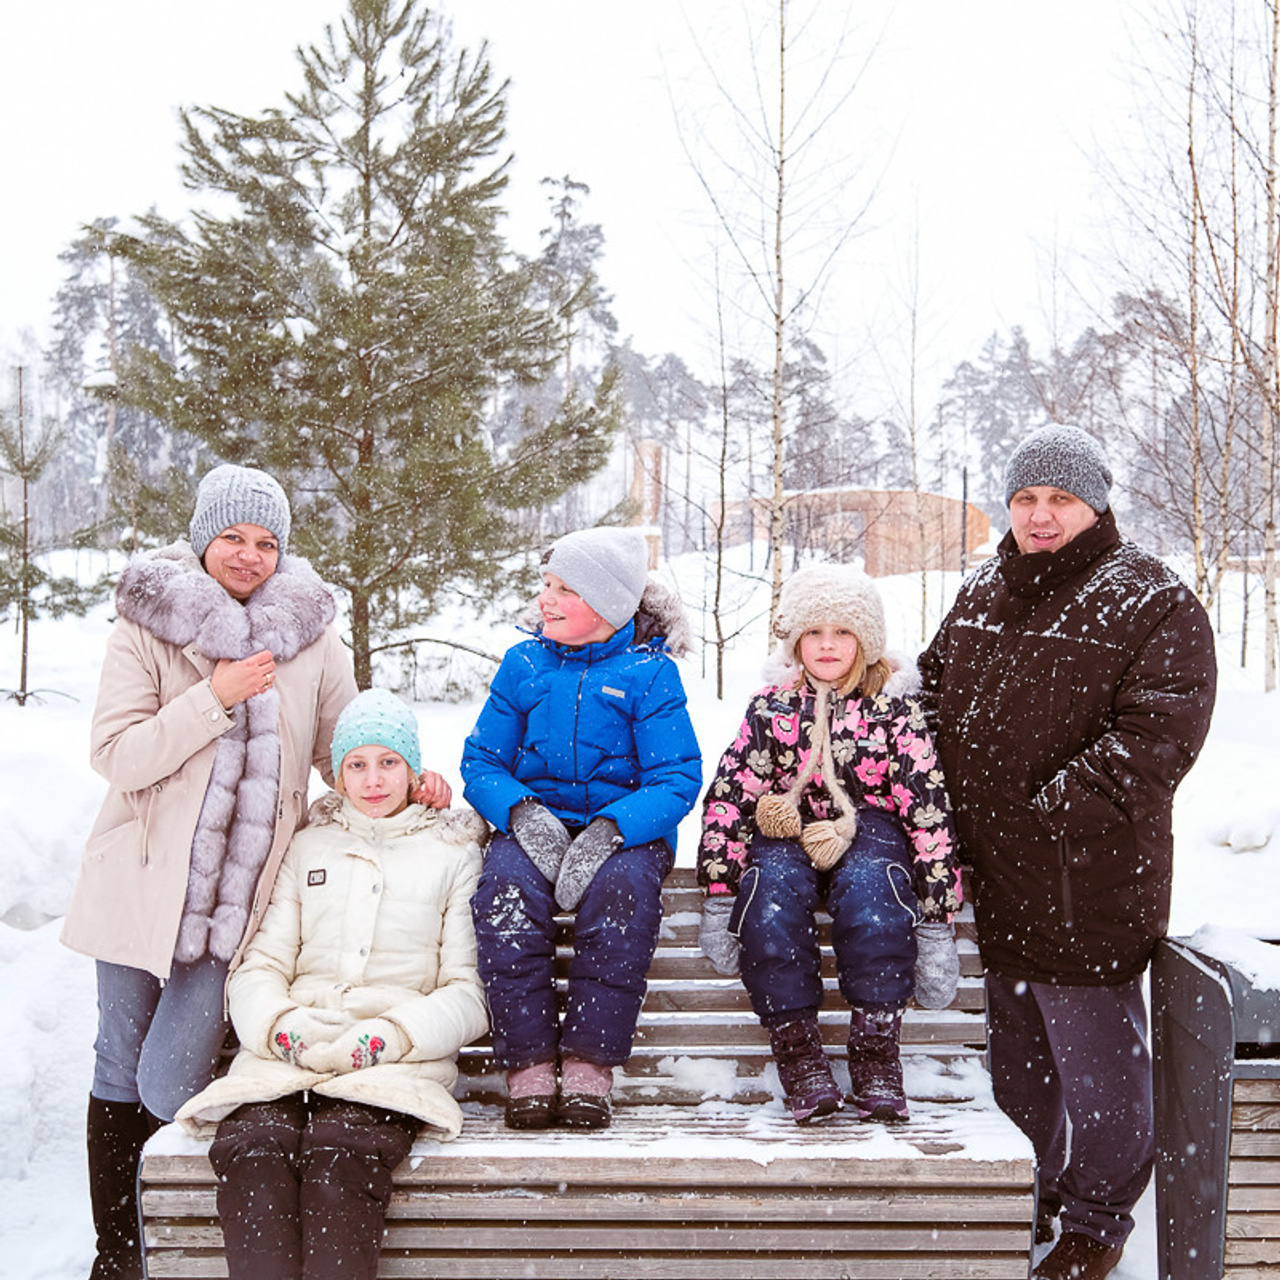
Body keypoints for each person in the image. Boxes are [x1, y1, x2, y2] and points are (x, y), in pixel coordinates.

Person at [59, 464, 449, 1280]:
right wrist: (216, 698)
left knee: (165, 1082)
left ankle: (157, 1224)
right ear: (204, 538)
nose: (249, 556)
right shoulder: (148, 623)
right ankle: (119, 1252)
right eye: (233, 538)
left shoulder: (307, 632)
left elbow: (343, 752)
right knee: (115, 1063)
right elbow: (115, 755)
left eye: (267, 541)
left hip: (240, 905)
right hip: (141, 883)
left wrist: (412, 778)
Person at [917, 425, 1217, 1280]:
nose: (1040, 516)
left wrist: (1045, 813)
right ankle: (1033, 1196)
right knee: (1019, 1070)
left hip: (1086, 882)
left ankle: (1096, 1224)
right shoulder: (985, 588)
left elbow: (1157, 737)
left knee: (1100, 1073)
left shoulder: (1150, 599)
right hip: (997, 878)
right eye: (1025, 500)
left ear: (1096, 504)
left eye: (1060, 500)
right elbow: (934, 691)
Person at [174, 689, 488, 1280]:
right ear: (338, 773)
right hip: (287, 1056)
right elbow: (260, 965)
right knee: (254, 1152)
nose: (374, 779)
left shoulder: (452, 854)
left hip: (391, 1065)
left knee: (339, 1158)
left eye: (389, 762)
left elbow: (468, 992)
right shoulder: (307, 845)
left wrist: (387, 1037)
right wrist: (280, 1026)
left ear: (413, 769)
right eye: (357, 764)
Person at [696, 563, 962, 1125]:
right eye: (814, 632)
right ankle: (798, 1050)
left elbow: (928, 808)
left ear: (865, 641)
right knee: (769, 897)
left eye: (843, 632)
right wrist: (722, 892)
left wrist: (936, 919)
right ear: (795, 640)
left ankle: (875, 1046)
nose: (827, 645)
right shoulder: (772, 709)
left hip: (870, 830)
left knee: (876, 896)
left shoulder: (894, 711)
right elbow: (730, 794)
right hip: (786, 829)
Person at [462, 528, 702, 1130]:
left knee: (622, 898)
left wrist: (611, 831)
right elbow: (483, 761)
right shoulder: (524, 664)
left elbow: (675, 777)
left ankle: (591, 1061)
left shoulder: (650, 675)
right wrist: (521, 813)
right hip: (533, 818)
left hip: (623, 833)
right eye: (546, 584)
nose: (546, 599)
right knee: (506, 896)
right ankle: (530, 1062)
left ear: (609, 603)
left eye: (565, 589)